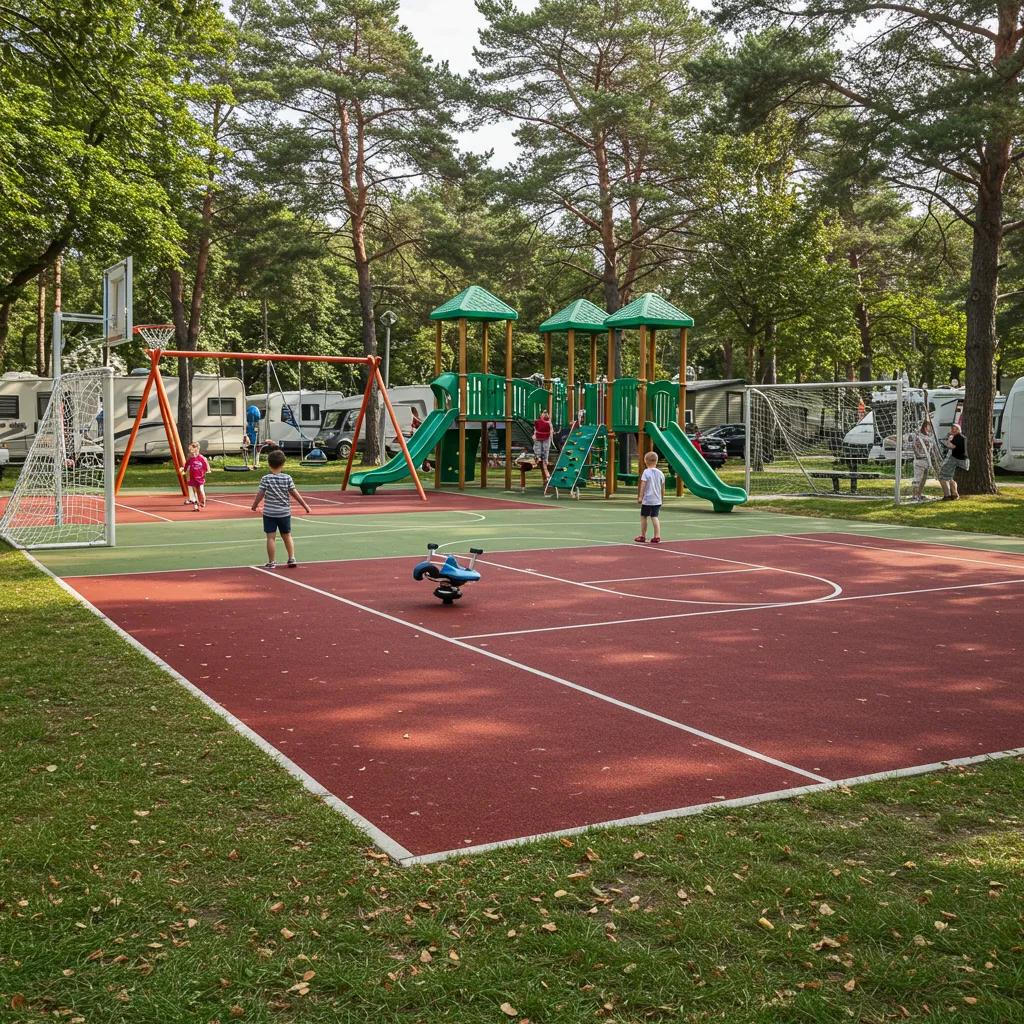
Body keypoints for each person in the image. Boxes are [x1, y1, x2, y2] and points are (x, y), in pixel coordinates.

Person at [251, 450, 312, 568]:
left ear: (269, 464)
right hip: (284, 512)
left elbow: (260, 493)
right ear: (283, 464)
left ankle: (272, 561)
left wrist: (254, 505)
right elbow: (294, 493)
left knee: (270, 538)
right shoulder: (287, 478)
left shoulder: (266, 478)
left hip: (269, 513)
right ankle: (291, 558)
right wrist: (305, 506)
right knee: (287, 535)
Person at [635, 450, 665, 543]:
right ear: (656, 461)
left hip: (648, 499)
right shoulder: (661, 473)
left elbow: (643, 485)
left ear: (645, 461)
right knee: (654, 517)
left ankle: (643, 535)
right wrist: (662, 498)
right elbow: (663, 487)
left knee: (644, 516)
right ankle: (657, 536)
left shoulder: (646, 472)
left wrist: (640, 497)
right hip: (657, 499)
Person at [938, 422, 967, 501]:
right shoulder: (961, 437)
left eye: (955, 429)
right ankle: (954, 494)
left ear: (959, 430)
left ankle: (947, 496)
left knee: (942, 476)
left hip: (954, 459)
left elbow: (950, 446)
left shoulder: (957, 438)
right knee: (950, 478)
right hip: (960, 460)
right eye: (952, 429)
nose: (953, 430)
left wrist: (948, 439)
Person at [910, 419, 937, 502]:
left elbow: (931, 449)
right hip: (920, 460)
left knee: (924, 478)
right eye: (930, 426)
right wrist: (919, 456)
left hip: (927, 460)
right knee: (917, 478)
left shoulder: (929, 436)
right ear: (925, 426)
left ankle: (919, 494)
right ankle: (914, 495)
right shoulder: (918, 435)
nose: (931, 428)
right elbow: (914, 446)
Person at [184, 441, 210, 510]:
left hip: (199, 477)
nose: (190, 450)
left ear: (196, 448)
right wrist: (184, 470)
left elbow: (206, 467)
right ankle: (196, 505)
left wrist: (204, 473)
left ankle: (202, 502)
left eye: (191, 448)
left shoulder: (201, 458)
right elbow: (186, 466)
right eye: (190, 449)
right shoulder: (190, 457)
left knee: (200, 490)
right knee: (194, 490)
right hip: (192, 477)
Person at [533, 410, 553, 484]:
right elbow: (535, 429)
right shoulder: (537, 421)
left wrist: (551, 435)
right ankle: (537, 458)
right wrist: (535, 435)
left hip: (546, 437)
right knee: (538, 448)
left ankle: (545, 462)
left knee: (545, 450)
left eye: (546, 413)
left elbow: (551, 430)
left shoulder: (548, 422)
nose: (545, 414)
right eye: (544, 413)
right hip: (539, 437)